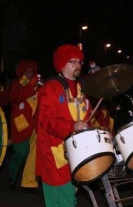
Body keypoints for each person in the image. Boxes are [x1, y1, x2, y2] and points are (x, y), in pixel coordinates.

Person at [36, 44, 93, 207]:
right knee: (65, 200)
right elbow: (46, 119)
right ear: (62, 64)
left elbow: (87, 116)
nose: (77, 65)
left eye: (79, 62)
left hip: (76, 152)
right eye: (72, 62)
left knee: (66, 199)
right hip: (55, 154)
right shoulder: (51, 87)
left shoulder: (82, 88)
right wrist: (72, 126)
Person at [8, 59, 42, 192]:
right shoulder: (17, 84)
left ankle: (29, 183)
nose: (29, 72)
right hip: (21, 125)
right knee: (20, 153)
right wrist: (30, 85)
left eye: (31, 70)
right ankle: (12, 177)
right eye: (27, 70)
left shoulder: (38, 84)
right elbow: (16, 97)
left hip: (36, 125)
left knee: (34, 155)